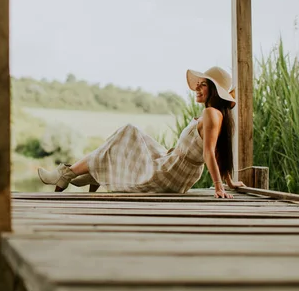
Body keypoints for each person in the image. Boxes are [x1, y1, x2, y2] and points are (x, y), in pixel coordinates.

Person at [37, 66, 246, 198]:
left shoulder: (211, 113)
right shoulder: (215, 115)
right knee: (130, 134)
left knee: (127, 133)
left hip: (172, 172)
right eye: (197, 85)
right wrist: (229, 181)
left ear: (215, 91)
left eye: (203, 85)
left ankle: (68, 173)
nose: (197, 89)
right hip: (175, 166)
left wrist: (220, 187)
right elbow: (220, 152)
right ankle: (88, 172)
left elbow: (210, 151)